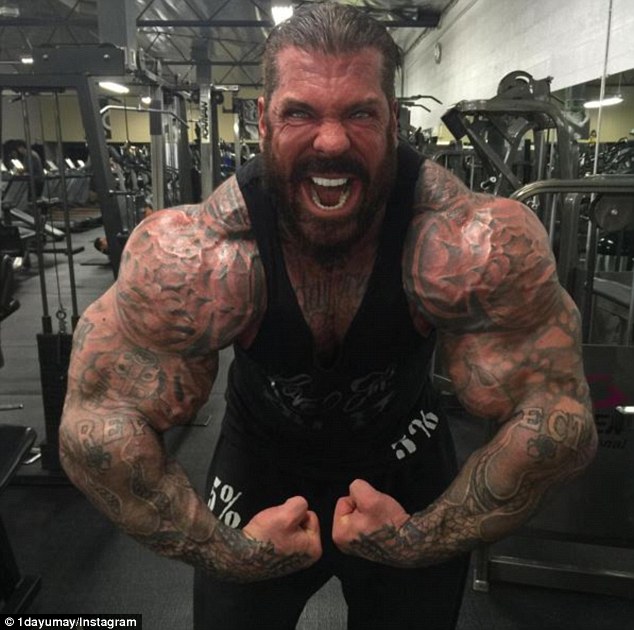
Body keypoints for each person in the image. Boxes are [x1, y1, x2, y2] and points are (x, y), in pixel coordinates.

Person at [59, 3, 597, 629]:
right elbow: (96, 429)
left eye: (360, 114)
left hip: (406, 459)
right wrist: (228, 552)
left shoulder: (469, 243)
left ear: (392, 118)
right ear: (263, 119)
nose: (332, 141)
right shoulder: (196, 256)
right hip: (259, 463)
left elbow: (557, 418)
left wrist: (423, 538)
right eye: (301, 113)